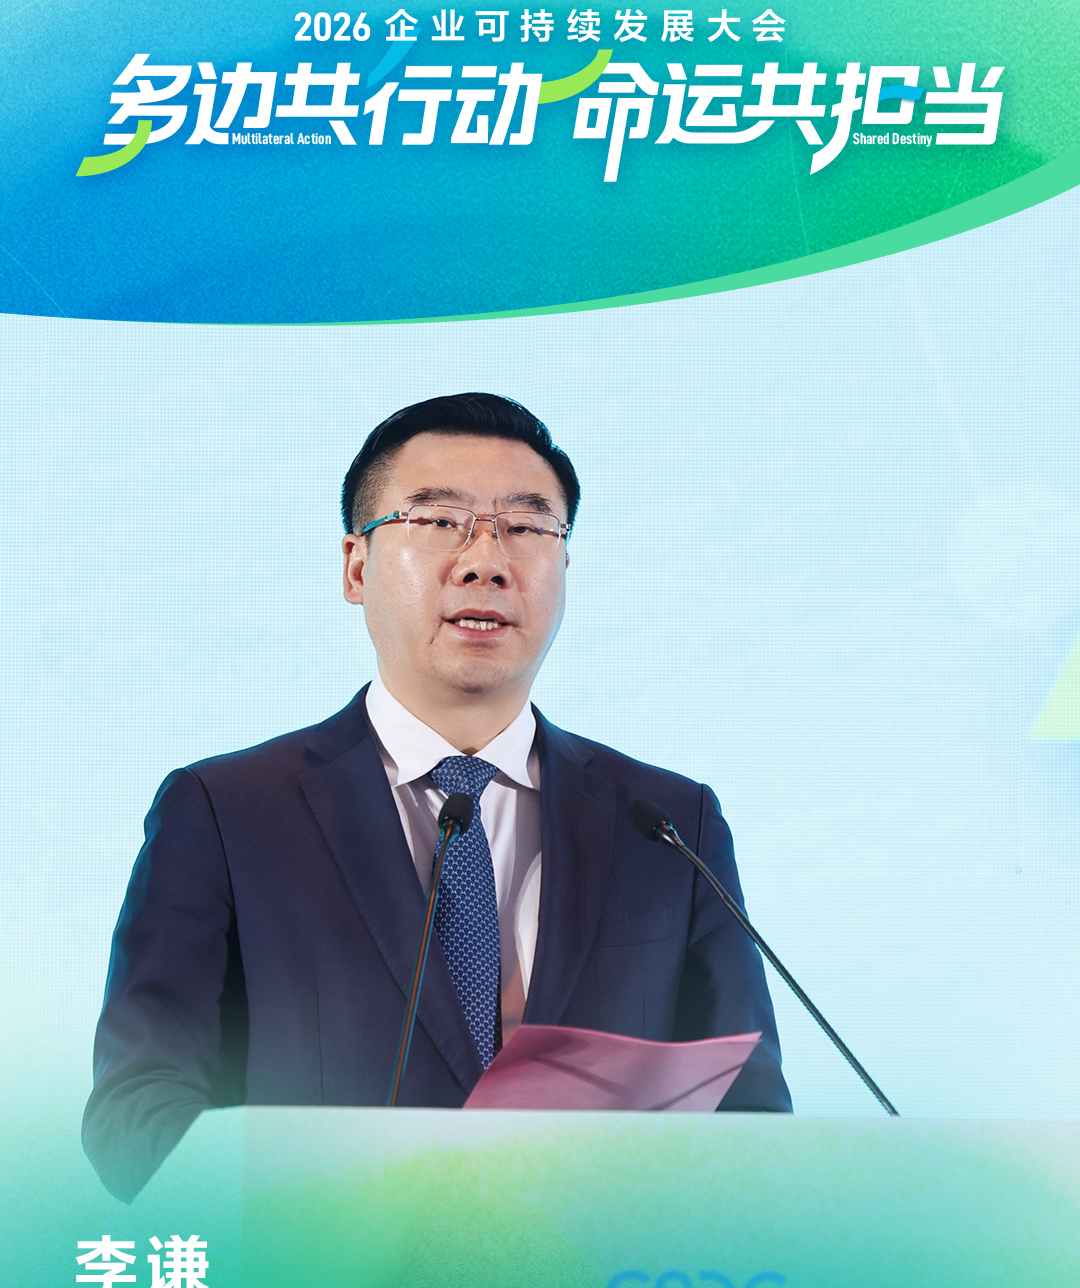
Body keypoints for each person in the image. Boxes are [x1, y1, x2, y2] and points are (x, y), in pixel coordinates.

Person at [83, 393, 790, 1200]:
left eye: (527, 527)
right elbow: (134, 1113)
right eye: (439, 520)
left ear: (565, 567)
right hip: (329, 1270)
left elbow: (752, 1121)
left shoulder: (666, 823)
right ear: (357, 567)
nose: (486, 561)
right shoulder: (228, 812)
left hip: (602, 1273)